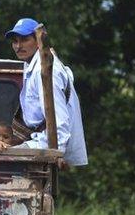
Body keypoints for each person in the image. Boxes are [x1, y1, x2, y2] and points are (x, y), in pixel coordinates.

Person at [5, 18, 88, 167]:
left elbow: (59, 119)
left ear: (38, 40)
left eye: (24, 40)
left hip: (47, 145)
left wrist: (56, 154)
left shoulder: (46, 70)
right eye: (15, 41)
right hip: (38, 140)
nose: (18, 46)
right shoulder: (31, 64)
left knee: (0, 163)